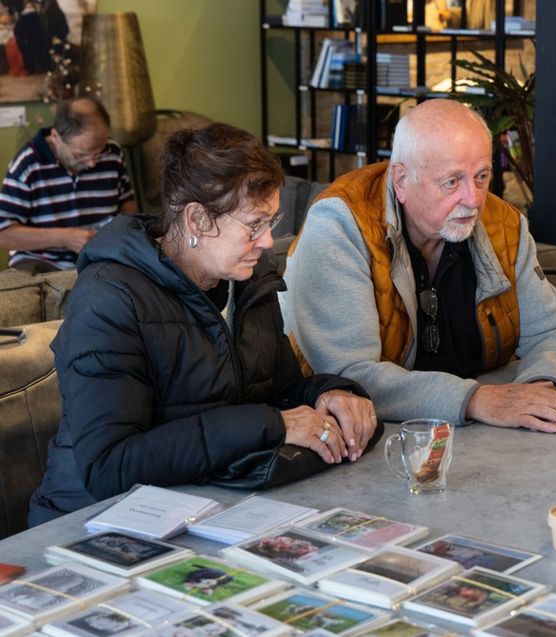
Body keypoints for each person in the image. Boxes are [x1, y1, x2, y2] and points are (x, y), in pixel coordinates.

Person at [28, 123, 380, 525]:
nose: (267, 242)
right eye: (254, 225)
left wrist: (329, 393)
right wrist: (271, 425)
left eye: (272, 222)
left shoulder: (245, 280)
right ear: (196, 220)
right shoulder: (109, 301)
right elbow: (111, 467)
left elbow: (278, 391)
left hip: (206, 509)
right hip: (87, 524)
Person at [281, 99, 556, 432]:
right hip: (359, 444)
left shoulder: (505, 225)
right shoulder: (340, 225)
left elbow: (552, 332)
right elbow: (350, 375)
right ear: (401, 180)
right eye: (452, 181)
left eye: (481, 176)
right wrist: (476, 399)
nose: (474, 199)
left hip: (482, 440)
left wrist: (544, 391)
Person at [0, 96, 136, 273]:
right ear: (56, 137)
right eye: (80, 155)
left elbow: (128, 206)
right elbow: (4, 233)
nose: (92, 163)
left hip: (101, 257)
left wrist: (118, 233)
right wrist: (64, 238)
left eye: (99, 152)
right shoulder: (28, 163)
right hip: (40, 260)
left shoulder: (113, 152)